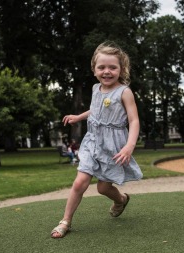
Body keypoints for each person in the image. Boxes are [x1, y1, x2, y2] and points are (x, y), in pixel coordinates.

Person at [51, 41, 143, 238]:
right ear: (94, 69)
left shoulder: (124, 92)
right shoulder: (95, 89)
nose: (107, 71)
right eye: (101, 67)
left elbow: (134, 120)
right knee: (80, 182)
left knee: (103, 187)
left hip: (113, 145)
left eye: (112, 67)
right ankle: (65, 221)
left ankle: (121, 200)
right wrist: (79, 117)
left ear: (121, 69)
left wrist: (129, 146)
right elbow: (97, 109)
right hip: (92, 141)